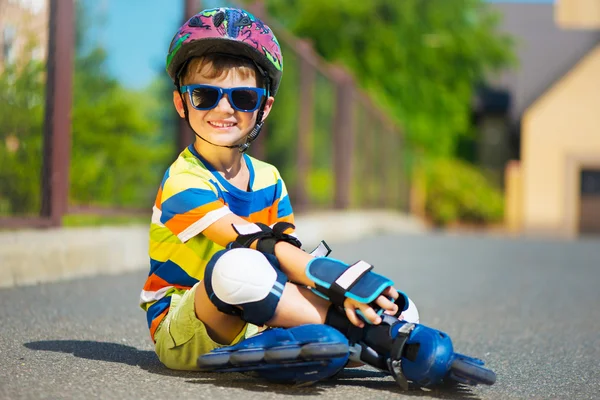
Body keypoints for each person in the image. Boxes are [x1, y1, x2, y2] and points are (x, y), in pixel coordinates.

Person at [139, 6, 412, 372]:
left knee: (398, 307)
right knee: (237, 263)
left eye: (243, 98)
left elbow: (286, 262)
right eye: (205, 95)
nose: (224, 108)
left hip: (254, 313)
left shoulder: (268, 178)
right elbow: (256, 243)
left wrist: (355, 294)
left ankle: (330, 343)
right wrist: (340, 285)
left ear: (263, 108)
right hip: (186, 326)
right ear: (181, 103)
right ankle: (363, 338)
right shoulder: (183, 179)